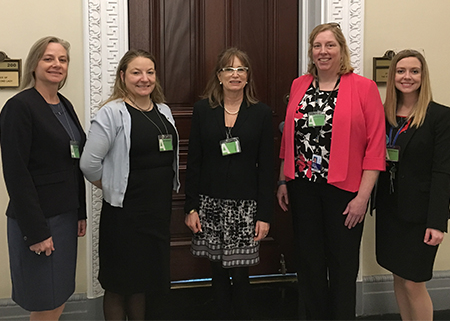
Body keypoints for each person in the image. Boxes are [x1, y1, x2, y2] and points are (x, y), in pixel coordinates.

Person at [276, 23, 386, 320]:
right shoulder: (299, 84)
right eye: (317, 46)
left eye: (330, 45)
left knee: (342, 266)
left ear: (341, 50)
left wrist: (363, 197)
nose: (323, 52)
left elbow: (376, 148)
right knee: (309, 264)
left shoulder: (363, 88)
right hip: (303, 188)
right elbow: (290, 138)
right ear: (311, 52)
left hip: (345, 191)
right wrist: (283, 179)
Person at [80, 49, 179, 321]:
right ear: (123, 76)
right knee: (120, 285)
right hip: (125, 216)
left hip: (156, 213)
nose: (144, 78)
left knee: (143, 283)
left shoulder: (163, 111)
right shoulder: (111, 113)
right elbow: (89, 164)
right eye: (136, 72)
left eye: (149, 72)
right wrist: (111, 187)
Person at [0, 37, 87, 321]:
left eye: (62, 60)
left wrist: (80, 212)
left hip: (65, 215)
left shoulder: (65, 105)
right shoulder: (19, 106)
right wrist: (36, 231)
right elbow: (16, 173)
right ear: (34, 63)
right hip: (38, 219)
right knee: (44, 300)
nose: (56, 64)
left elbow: (74, 164)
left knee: (58, 294)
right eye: (49, 58)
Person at [184, 47, 274, 320]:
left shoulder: (260, 113)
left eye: (241, 69)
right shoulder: (203, 110)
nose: (235, 74)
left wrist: (264, 215)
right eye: (228, 69)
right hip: (210, 204)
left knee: (241, 273)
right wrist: (191, 207)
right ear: (219, 76)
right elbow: (194, 161)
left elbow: (267, 168)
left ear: (248, 77)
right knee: (217, 271)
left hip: (245, 205)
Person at [376, 49, 450, 321]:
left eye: (414, 71)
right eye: (401, 71)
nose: (407, 77)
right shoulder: (384, 115)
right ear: (392, 75)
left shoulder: (439, 117)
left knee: (413, 282)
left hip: (420, 216)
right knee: (398, 276)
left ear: (423, 76)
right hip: (390, 209)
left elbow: (443, 172)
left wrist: (438, 221)